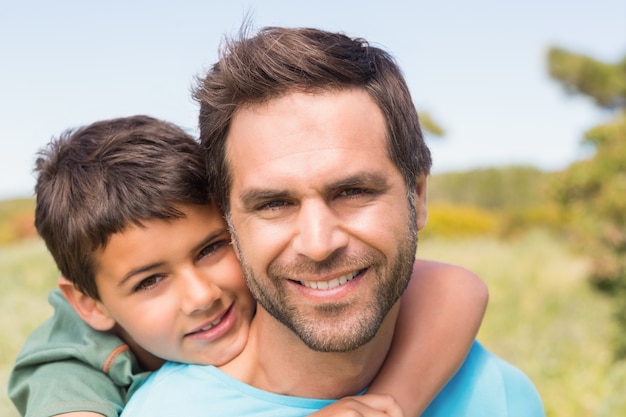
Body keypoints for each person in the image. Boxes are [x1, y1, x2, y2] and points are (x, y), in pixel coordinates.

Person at [121, 26, 546, 416]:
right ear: (230, 221)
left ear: (417, 196)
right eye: (273, 203)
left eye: (352, 192)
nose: (319, 243)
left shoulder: (502, 397)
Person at [9, 115, 489, 417]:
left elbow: (456, 287)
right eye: (151, 280)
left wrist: (388, 404)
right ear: (89, 304)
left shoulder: (276, 279)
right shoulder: (74, 363)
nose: (202, 296)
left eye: (211, 249)